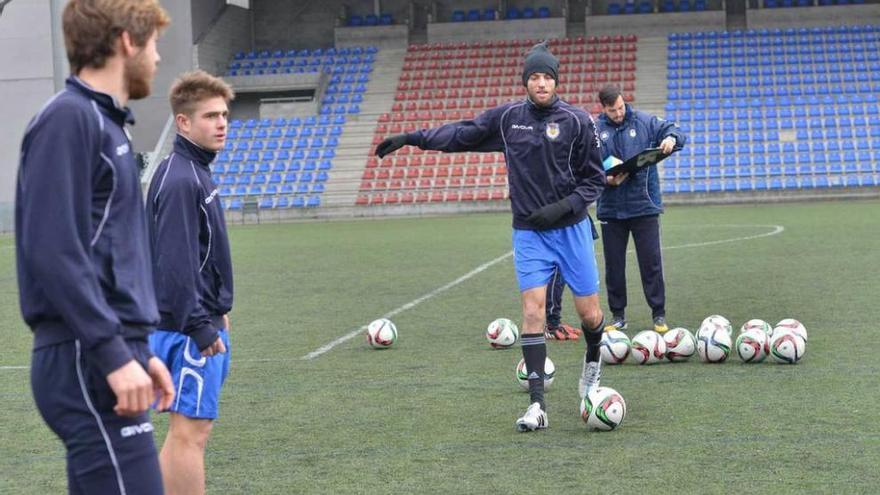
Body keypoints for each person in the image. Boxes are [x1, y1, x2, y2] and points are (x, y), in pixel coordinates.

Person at [376, 42, 607, 432]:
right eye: (534, 76)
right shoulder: (508, 118)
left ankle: (591, 373)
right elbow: (463, 133)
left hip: (571, 230)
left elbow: (595, 180)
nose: (541, 83)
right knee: (533, 314)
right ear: (525, 81)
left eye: (547, 76)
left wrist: (563, 208)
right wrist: (413, 137)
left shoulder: (577, 120)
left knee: (590, 315)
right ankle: (537, 406)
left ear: (556, 81)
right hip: (529, 234)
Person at [15, 1, 173, 493]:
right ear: (127, 41)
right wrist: (112, 352)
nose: (158, 58)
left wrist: (135, 349)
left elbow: (107, 253)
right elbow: (53, 248)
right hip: (85, 357)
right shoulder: (69, 119)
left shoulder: (107, 125)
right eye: (153, 44)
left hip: (105, 350)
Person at [146, 70, 235, 495]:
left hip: (197, 320)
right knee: (190, 435)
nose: (221, 123)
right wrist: (200, 325)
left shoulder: (194, 170)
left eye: (224, 114)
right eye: (210, 116)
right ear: (183, 122)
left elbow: (202, 256)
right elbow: (175, 264)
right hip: (186, 330)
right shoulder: (182, 179)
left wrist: (219, 310)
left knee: (185, 434)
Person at [594, 84, 687, 334]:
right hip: (611, 210)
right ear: (603, 109)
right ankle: (618, 316)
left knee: (651, 263)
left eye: (622, 107)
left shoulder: (644, 121)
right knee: (614, 266)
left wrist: (670, 139)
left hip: (644, 205)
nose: (619, 113)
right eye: (613, 110)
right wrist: (606, 179)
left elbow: (675, 130)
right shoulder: (593, 130)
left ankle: (658, 315)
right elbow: (585, 167)